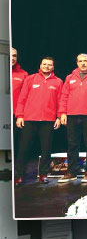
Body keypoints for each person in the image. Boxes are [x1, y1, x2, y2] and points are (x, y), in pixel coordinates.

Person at [14, 56, 63, 185]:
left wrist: (58, 117)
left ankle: (43, 174)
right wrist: (19, 115)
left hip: (48, 120)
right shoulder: (30, 79)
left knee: (46, 149)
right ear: (40, 65)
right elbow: (22, 98)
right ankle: (19, 176)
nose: (47, 66)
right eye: (44, 64)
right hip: (30, 119)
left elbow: (60, 101)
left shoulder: (58, 82)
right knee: (24, 149)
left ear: (53, 67)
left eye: (49, 65)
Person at [57, 53, 87, 182]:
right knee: (72, 144)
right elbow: (64, 96)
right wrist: (62, 113)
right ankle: (71, 171)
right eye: (80, 61)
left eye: (85, 61)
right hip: (71, 115)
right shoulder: (69, 77)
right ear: (77, 63)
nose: (83, 63)